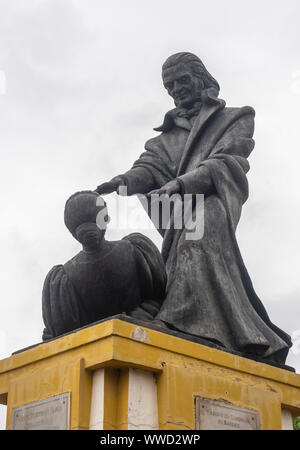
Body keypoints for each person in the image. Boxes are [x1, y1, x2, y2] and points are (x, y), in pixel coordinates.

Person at [96, 52, 292, 364]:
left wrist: (183, 183)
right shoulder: (162, 140)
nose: (176, 89)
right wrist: (121, 182)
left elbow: (229, 159)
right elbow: (148, 168)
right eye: (169, 84)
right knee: (178, 255)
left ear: (200, 77)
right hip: (178, 212)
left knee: (194, 241)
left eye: (182, 80)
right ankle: (222, 331)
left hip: (215, 200)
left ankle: (179, 321)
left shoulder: (235, 118)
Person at [42, 191, 166, 340]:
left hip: (97, 349)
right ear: (106, 219)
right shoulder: (135, 249)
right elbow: (161, 295)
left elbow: (64, 333)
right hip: (146, 338)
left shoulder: (62, 279)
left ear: (70, 230)